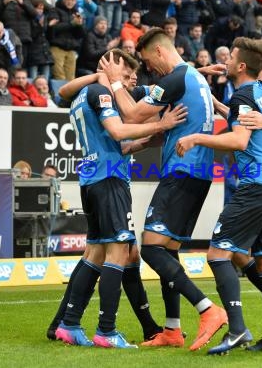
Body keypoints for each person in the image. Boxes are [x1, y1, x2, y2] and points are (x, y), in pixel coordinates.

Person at [176, 36, 262, 353]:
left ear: (243, 64)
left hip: (258, 185)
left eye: (231, 55)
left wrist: (196, 138)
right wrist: (249, 113)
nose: (225, 59)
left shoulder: (245, 95)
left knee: (219, 253)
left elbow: (238, 141)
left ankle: (237, 329)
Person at [98, 28, 228, 351]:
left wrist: (115, 80)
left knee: (152, 247)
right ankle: (172, 330)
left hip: (184, 171)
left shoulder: (178, 79)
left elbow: (131, 113)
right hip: (196, 172)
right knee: (167, 249)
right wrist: (141, 142)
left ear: (158, 53)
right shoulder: (192, 78)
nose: (150, 71)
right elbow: (164, 130)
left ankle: (208, 309)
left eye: (147, 62)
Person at [54, 48, 188, 348]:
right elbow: (116, 132)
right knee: (119, 254)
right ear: (112, 69)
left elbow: (117, 144)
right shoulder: (101, 92)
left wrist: (142, 142)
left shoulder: (81, 94)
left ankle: (69, 324)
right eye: (127, 75)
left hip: (92, 178)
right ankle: (106, 330)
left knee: (96, 253)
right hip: (109, 180)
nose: (130, 82)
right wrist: (161, 125)